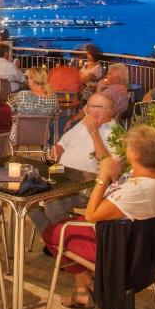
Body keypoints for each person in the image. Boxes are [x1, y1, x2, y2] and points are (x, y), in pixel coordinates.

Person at [42, 124, 155, 309]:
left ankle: (87, 284)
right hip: (142, 244)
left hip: (117, 248)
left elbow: (91, 214)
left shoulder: (136, 191)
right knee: (66, 224)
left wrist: (102, 177)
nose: (126, 151)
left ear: (136, 155)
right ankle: (82, 291)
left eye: (129, 148)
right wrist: (114, 175)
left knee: (51, 234)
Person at [28, 93, 118, 232]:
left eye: (93, 106)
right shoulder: (83, 124)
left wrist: (94, 132)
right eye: (88, 105)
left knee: (53, 206)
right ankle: (53, 239)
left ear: (108, 110)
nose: (87, 109)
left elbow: (108, 165)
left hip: (87, 187)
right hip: (61, 176)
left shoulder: (115, 133)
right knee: (28, 199)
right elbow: (62, 144)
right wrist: (53, 157)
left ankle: (64, 242)